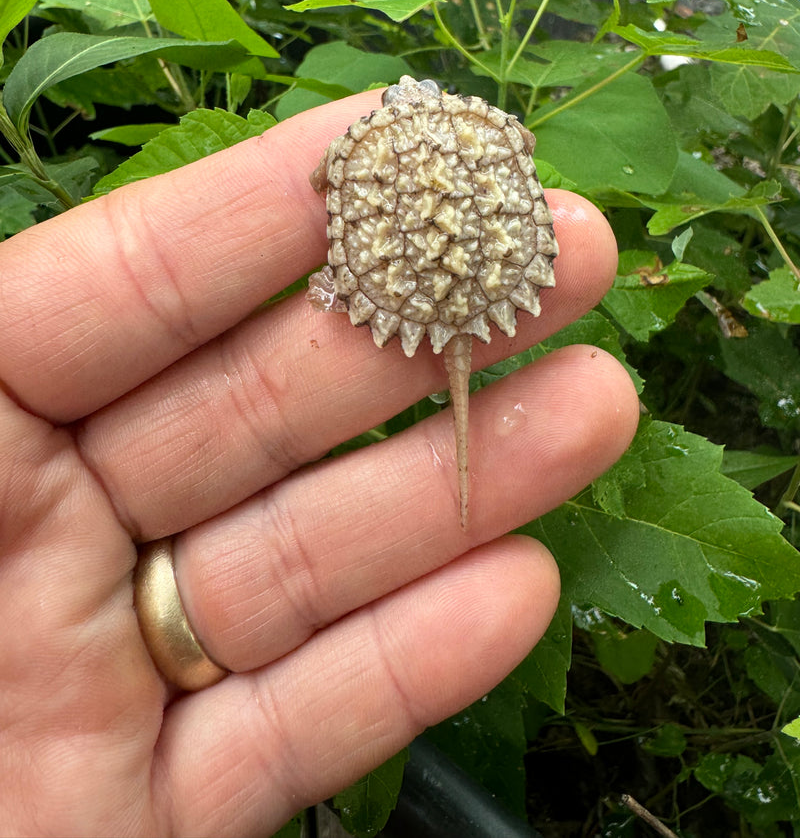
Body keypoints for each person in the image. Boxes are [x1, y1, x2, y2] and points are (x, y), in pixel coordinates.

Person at [0, 90, 639, 837]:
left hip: (405, 269)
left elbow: (319, 180)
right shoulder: (481, 126)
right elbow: (519, 140)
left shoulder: (361, 149)